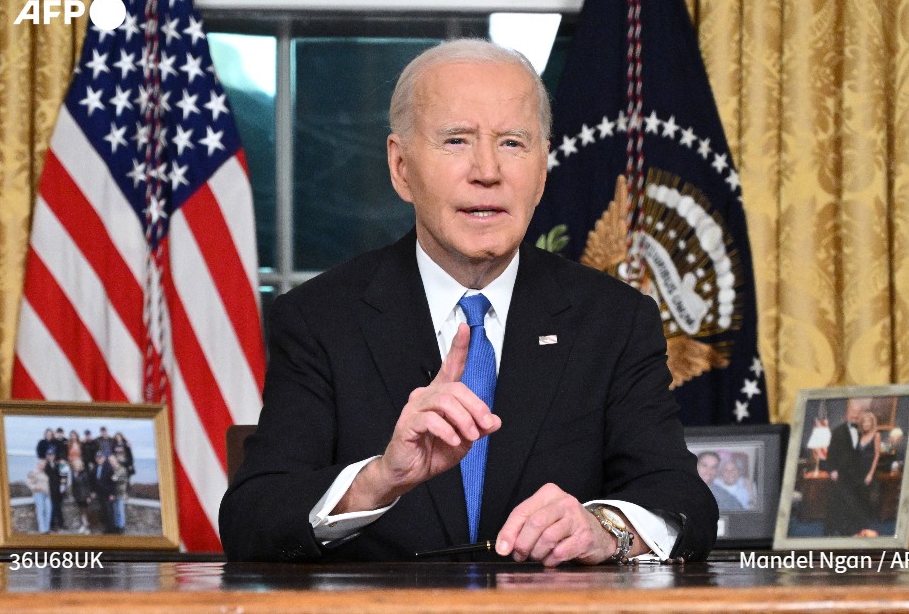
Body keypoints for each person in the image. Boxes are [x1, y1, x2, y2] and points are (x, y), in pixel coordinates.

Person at [220, 39, 717, 565]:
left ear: (543, 167)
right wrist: (379, 480)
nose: (487, 170)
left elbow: (683, 501)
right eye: (456, 141)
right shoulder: (320, 318)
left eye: (512, 143)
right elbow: (252, 517)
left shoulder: (615, 320)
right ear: (400, 167)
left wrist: (604, 528)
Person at [825, 399, 867, 536]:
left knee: (855, 503)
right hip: (841, 474)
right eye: (853, 411)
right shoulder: (837, 431)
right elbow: (830, 454)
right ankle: (833, 531)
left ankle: (853, 531)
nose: (855, 415)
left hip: (857, 475)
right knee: (840, 504)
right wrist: (832, 470)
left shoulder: (863, 431)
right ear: (847, 413)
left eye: (858, 412)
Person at [856, 410, 881, 527]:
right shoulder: (861, 435)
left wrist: (871, 474)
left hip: (868, 470)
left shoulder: (876, 435)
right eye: (864, 422)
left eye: (868, 422)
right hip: (858, 469)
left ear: (872, 423)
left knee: (869, 497)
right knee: (859, 495)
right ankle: (859, 520)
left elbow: (877, 455)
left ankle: (867, 524)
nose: (866, 424)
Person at [92, 451, 116, 534]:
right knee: (104, 512)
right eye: (98, 458)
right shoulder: (95, 468)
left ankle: (112, 530)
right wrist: (94, 492)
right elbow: (94, 482)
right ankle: (107, 529)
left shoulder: (109, 468)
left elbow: (113, 482)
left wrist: (112, 494)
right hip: (100, 494)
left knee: (110, 513)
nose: (99, 459)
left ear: (104, 458)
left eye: (101, 458)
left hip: (108, 494)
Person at [27, 459, 51, 534]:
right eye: (41, 465)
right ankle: (42, 530)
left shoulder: (45, 473)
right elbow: (28, 482)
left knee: (48, 510)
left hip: (47, 494)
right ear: (38, 464)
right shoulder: (34, 472)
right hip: (38, 494)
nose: (42, 466)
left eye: (44, 465)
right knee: (40, 511)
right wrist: (34, 487)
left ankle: (47, 529)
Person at [70, 458, 92, 534]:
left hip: (84, 495)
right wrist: (73, 494)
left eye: (77, 465)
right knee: (81, 511)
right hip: (77, 495)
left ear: (80, 465)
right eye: (75, 465)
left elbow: (88, 485)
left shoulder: (84, 473)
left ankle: (87, 527)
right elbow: (73, 485)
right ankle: (83, 525)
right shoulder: (73, 473)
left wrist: (88, 496)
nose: (76, 466)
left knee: (86, 511)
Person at [108, 454, 128, 534]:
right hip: (114, 493)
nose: (111, 462)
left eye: (112, 460)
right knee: (115, 511)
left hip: (120, 493)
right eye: (110, 461)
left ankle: (121, 528)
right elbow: (110, 480)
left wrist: (117, 479)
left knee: (120, 511)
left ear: (116, 460)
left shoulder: (121, 469)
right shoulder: (110, 469)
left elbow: (124, 479)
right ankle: (116, 527)